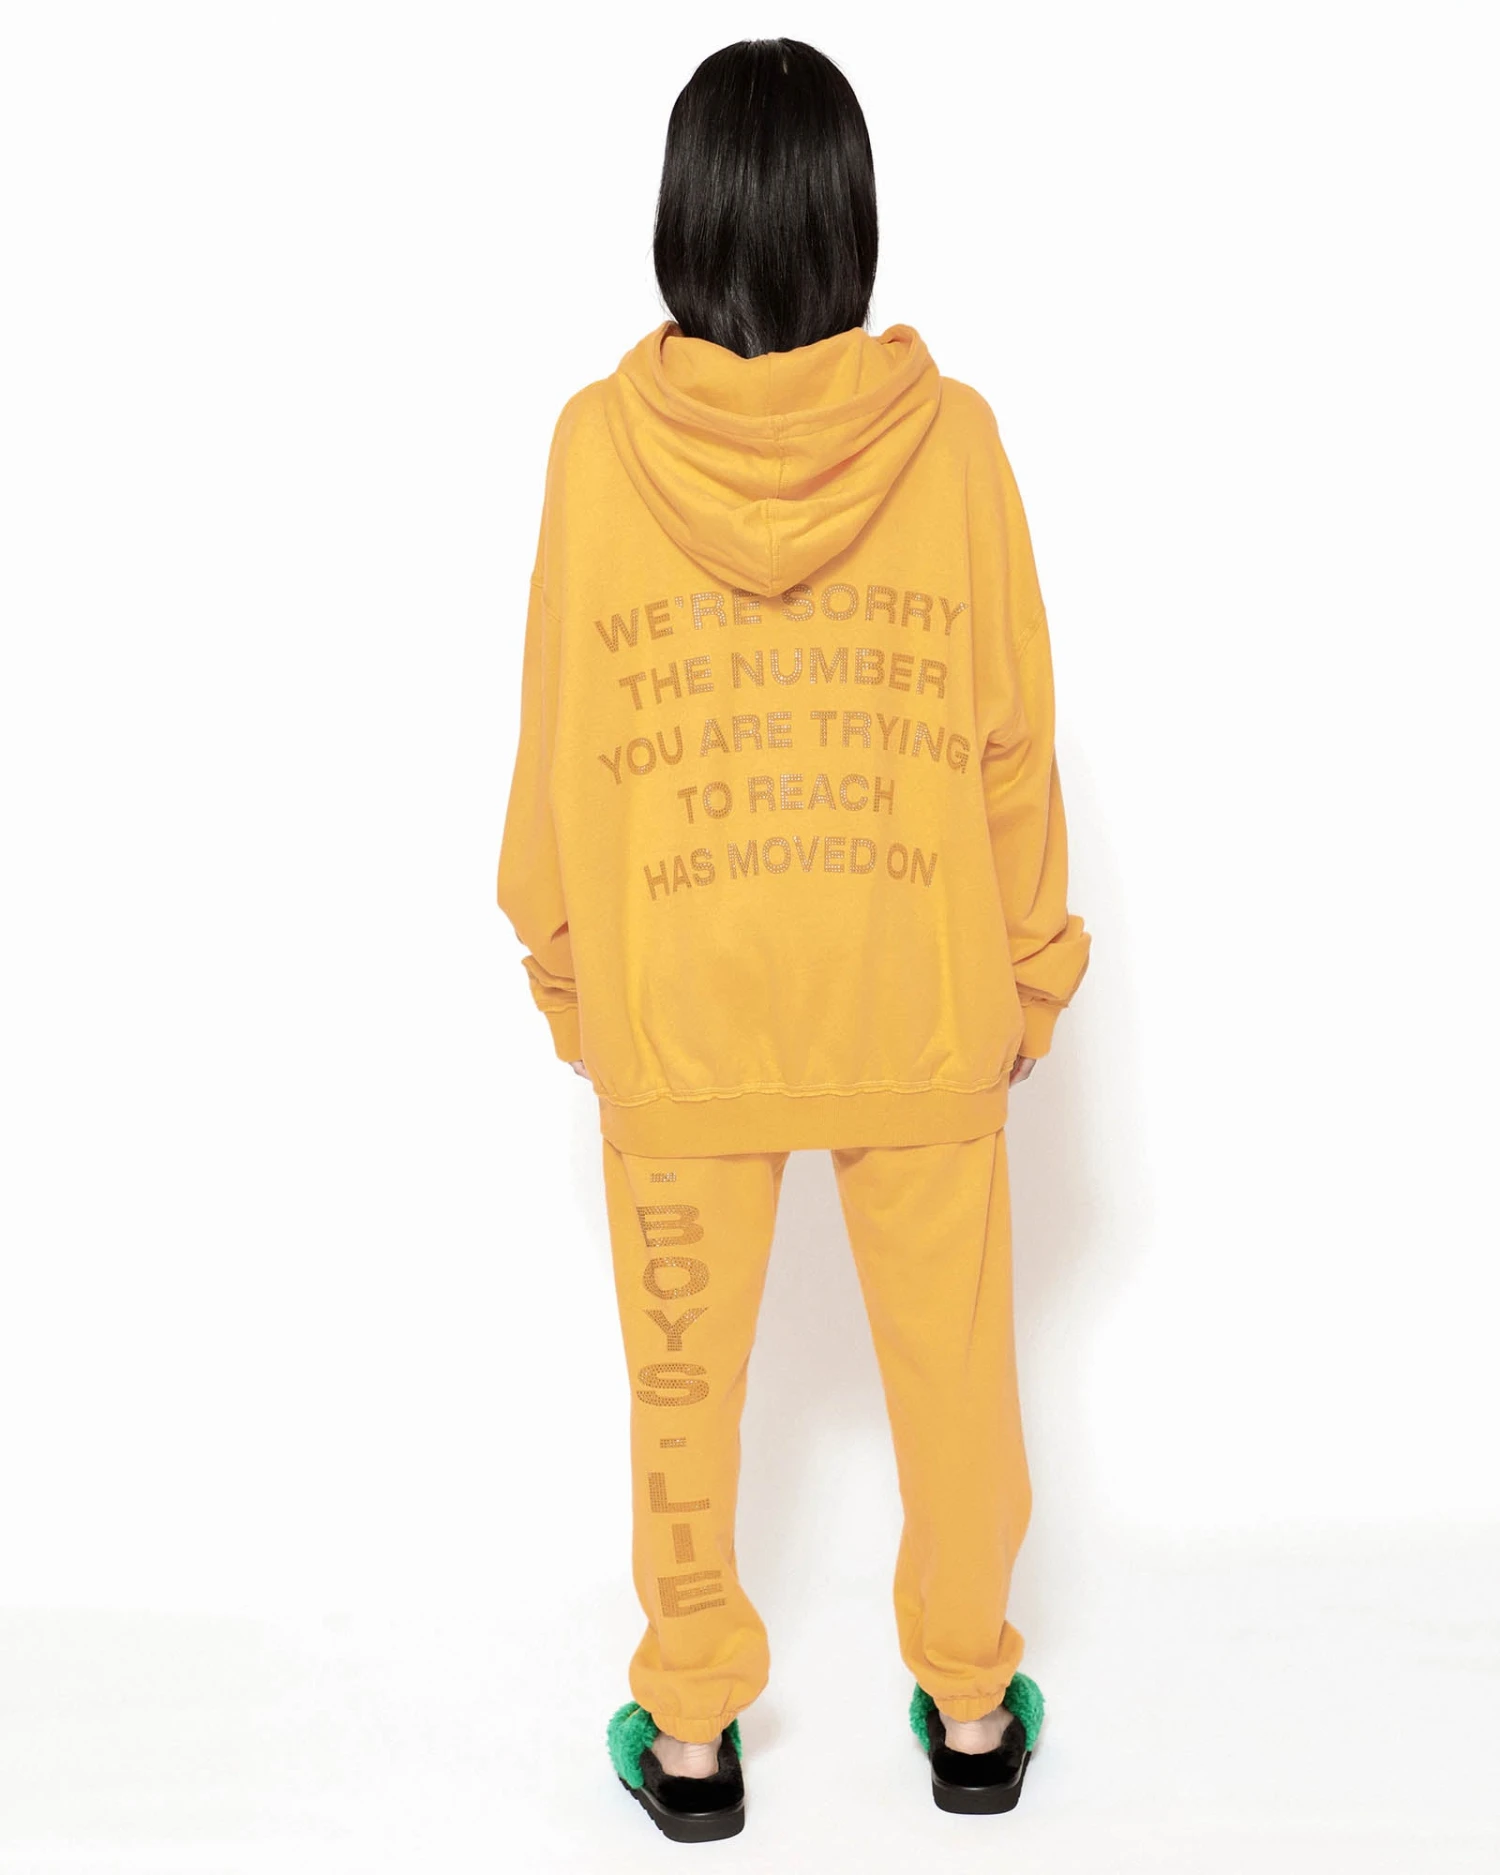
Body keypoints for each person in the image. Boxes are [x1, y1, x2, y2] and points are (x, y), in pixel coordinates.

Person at [496, 37, 1090, 1842]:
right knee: (959, 1381)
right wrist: (1034, 966)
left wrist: (567, 967)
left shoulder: (598, 447)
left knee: (681, 1388)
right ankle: (973, 1709)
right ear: (851, 219)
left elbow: (558, 732)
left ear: (684, 220)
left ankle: (689, 1739)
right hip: (918, 988)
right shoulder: (954, 441)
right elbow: (1010, 737)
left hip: (681, 1005)